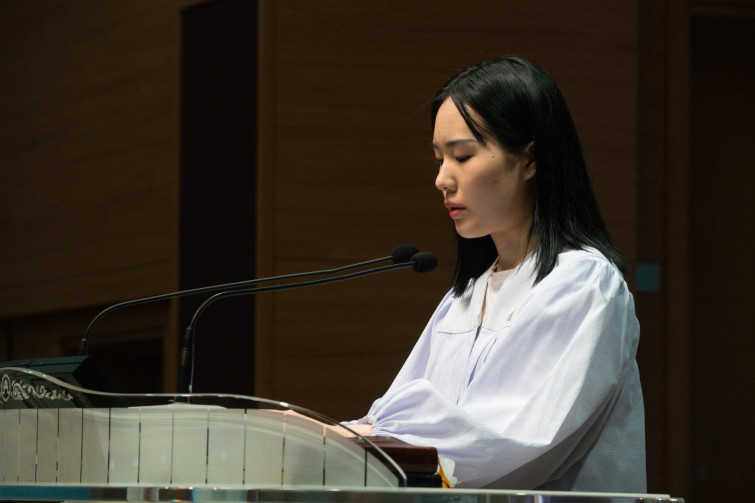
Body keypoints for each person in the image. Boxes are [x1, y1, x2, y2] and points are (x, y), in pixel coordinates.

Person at [346, 57, 646, 492]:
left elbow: (505, 445)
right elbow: (392, 418)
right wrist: (337, 437)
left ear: (530, 159)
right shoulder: (465, 296)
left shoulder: (584, 283)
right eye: (439, 158)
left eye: (462, 156)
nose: (442, 179)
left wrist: (360, 439)